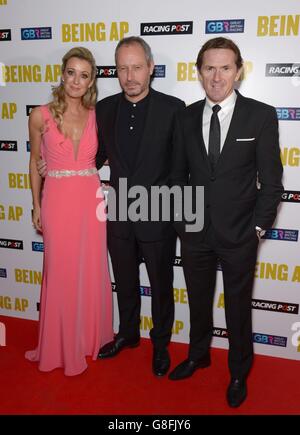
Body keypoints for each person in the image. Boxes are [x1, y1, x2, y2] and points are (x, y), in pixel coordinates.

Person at [169, 37, 283, 407]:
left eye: (225, 67)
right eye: (209, 68)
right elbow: (176, 176)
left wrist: (258, 229)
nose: (216, 76)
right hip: (195, 232)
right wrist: (183, 222)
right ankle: (198, 355)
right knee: (199, 302)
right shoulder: (185, 117)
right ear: (199, 72)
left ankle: (238, 371)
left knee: (237, 307)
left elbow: (272, 182)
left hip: (240, 234)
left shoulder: (261, 115)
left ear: (239, 70)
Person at [96, 36, 185, 376]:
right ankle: (128, 334)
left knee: (161, 286)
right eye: (122, 68)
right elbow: (96, 157)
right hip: (118, 212)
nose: (129, 76)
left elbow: (182, 167)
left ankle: (160, 343)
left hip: (158, 214)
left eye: (136, 67)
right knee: (125, 280)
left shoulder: (174, 109)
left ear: (150, 68)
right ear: (116, 71)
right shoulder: (104, 109)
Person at [26, 47, 113, 376]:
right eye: (71, 72)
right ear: (62, 74)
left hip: (90, 200)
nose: (76, 80)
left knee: (91, 270)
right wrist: (36, 203)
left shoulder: (97, 115)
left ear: (91, 81)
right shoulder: (40, 115)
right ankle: (60, 346)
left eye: (84, 75)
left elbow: (108, 153)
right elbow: (35, 163)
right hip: (58, 200)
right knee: (61, 273)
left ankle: (89, 339)